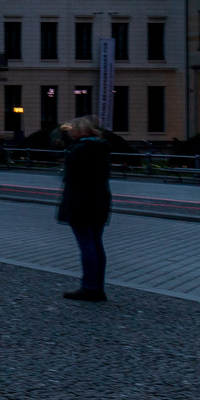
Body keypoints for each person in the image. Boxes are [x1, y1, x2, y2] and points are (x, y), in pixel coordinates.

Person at [57, 116, 112, 302]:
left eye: (72, 129)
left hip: (81, 202)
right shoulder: (101, 148)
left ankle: (89, 287)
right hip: (100, 200)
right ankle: (98, 287)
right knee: (96, 243)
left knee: (86, 244)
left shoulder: (78, 150)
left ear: (79, 132)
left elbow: (71, 179)